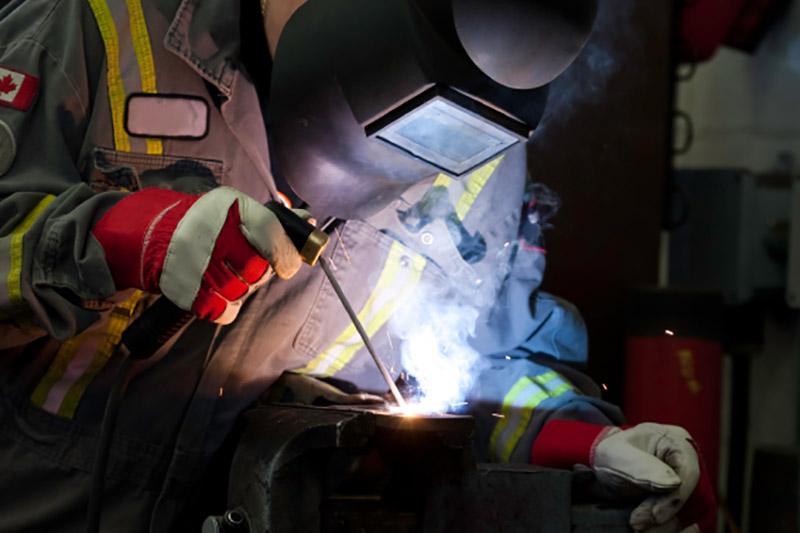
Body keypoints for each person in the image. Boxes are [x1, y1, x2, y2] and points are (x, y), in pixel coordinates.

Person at [0, 0, 715, 532]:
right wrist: (122, 238)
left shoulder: (477, 141)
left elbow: (481, 360)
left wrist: (585, 441)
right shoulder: (101, 29)